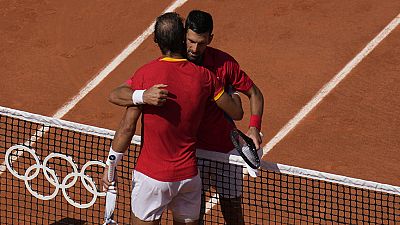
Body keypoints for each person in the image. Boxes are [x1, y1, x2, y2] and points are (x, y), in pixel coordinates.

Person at [108, 10, 264, 225]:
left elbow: (252, 96)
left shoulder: (222, 65)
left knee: (233, 211)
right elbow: (117, 94)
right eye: (190, 41)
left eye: (201, 43)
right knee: (195, 215)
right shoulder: (193, 75)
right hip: (193, 156)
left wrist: (254, 127)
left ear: (210, 39)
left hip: (222, 152)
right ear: (183, 36)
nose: (194, 48)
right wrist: (143, 95)